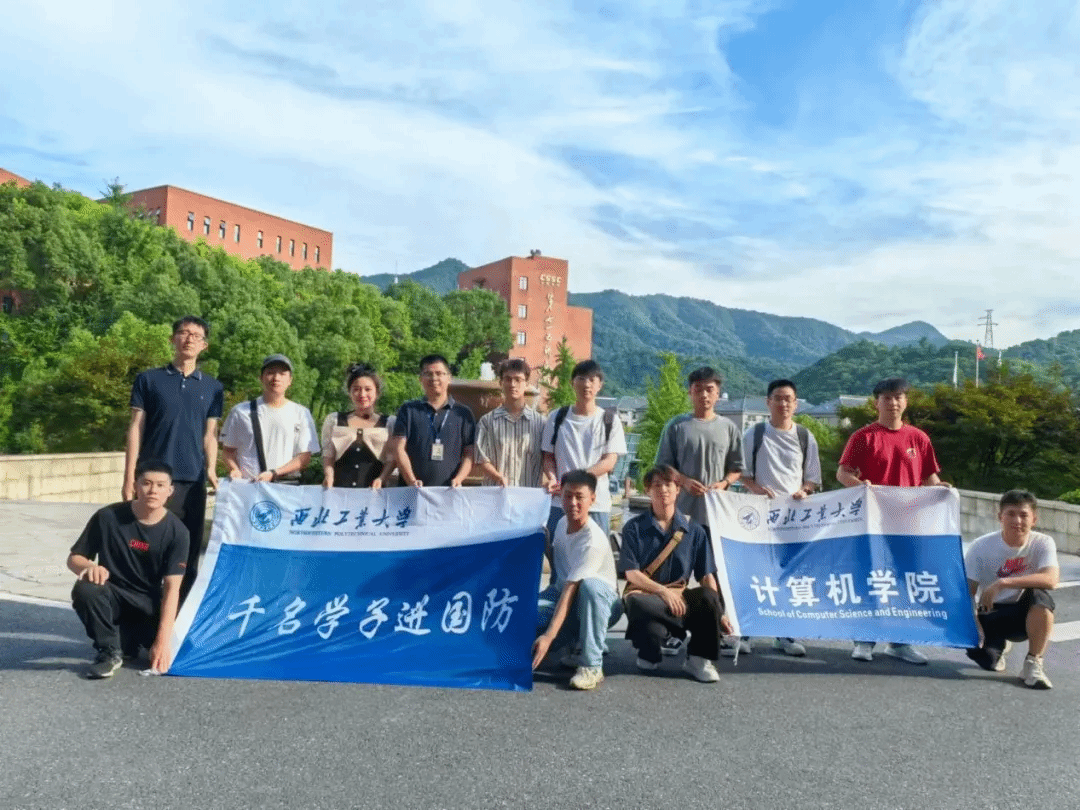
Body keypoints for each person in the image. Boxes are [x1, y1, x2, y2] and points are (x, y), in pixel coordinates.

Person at [837, 377, 946, 664]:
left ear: (906, 402)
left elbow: (929, 478)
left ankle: (900, 643)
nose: (893, 403)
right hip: (872, 522)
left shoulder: (918, 438)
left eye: (898, 397)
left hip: (908, 524)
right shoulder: (863, 437)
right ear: (877, 403)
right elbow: (843, 473)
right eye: (886, 398)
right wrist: (860, 485)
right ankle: (864, 639)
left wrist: (942, 490)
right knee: (871, 578)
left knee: (904, 581)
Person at [123, 316, 222, 600]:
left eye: (196, 335)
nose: (189, 339)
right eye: (183, 333)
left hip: (192, 481)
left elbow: (210, 435)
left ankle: (178, 617)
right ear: (172, 339)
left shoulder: (213, 387)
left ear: (204, 345)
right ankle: (139, 613)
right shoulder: (148, 380)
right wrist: (129, 477)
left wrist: (212, 470)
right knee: (144, 547)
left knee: (186, 553)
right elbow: (135, 427)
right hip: (152, 479)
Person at [68, 460, 189, 679]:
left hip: (148, 604)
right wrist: (89, 567)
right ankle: (109, 652)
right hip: (113, 596)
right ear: (135, 486)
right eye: (146, 483)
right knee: (86, 588)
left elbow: (172, 589)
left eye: (160, 485)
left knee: (179, 651)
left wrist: (163, 643)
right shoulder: (107, 517)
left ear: (170, 491)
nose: (153, 490)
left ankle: (130, 642)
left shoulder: (178, 532)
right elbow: (74, 558)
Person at [654, 366, 744, 654]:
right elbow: (663, 466)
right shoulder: (676, 426)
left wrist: (724, 483)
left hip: (716, 517)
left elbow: (737, 468)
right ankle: (675, 631)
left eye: (710, 390)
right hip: (681, 514)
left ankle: (717, 628)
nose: (704, 395)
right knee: (676, 575)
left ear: (718, 394)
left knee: (716, 575)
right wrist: (682, 480)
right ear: (690, 392)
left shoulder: (729, 428)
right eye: (698, 389)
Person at [621, 465, 733, 682]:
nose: (663, 490)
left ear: (678, 489)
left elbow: (706, 576)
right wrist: (663, 592)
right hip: (647, 596)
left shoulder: (695, 530)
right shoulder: (633, 528)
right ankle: (652, 648)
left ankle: (698, 660)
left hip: (680, 598)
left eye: (668, 484)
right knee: (636, 605)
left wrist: (718, 613)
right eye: (657, 485)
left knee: (708, 597)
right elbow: (632, 574)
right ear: (647, 490)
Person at [740, 379, 822, 657]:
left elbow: (812, 479)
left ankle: (784, 634)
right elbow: (743, 474)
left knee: (788, 577)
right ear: (768, 402)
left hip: (794, 519)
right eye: (778, 398)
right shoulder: (755, 434)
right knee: (755, 575)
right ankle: (745, 632)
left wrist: (804, 491)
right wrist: (757, 490)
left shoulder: (805, 437)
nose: (783, 403)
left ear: (796, 404)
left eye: (788, 399)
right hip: (760, 517)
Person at [531, 470, 622, 691]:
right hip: (563, 595)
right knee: (525, 617)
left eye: (579, 497)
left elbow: (570, 590)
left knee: (590, 586)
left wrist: (548, 637)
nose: (573, 503)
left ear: (593, 499)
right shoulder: (562, 523)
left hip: (601, 605)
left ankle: (591, 665)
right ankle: (575, 641)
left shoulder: (593, 540)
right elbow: (560, 567)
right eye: (568, 495)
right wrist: (543, 542)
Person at [964, 490, 1059, 689]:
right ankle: (998, 647)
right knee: (985, 659)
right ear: (1000, 517)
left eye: (1023, 515)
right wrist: (974, 624)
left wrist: (1003, 583)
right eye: (1011, 514)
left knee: (1040, 596)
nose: (1017, 521)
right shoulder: (980, 546)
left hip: (1024, 611)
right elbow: (967, 592)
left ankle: (1033, 663)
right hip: (991, 611)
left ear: (1034, 519)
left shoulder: (1043, 542)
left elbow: (1051, 580)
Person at [540, 360, 626, 539]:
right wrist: (553, 479)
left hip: (596, 504)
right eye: (581, 378)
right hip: (560, 503)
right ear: (572, 383)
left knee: (595, 552)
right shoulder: (557, 417)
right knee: (557, 552)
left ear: (600, 385)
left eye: (592, 379)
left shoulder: (609, 420)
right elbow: (548, 457)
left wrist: (577, 480)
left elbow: (609, 461)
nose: (587, 384)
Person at [220, 354, 319, 483]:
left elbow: (304, 457)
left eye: (282, 374)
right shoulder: (241, 411)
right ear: (261, 378)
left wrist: (274, 473)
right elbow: (228, 451)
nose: (276, 378)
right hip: (249, 485)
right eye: (270, 373)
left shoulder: (301, 413)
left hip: (285, 486)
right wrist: (234, 469)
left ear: (290, 380)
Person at [389, 354, 476, 487]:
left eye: (439, 373)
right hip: (412, 490)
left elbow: (470, 453)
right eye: (428, 374)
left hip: (449, 491)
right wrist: (411, 480)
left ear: (449, 378)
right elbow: (399, 448)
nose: (434, 378)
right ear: (420, 379)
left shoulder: (463, 413)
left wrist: (459, 478)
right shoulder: (408, 410)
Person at [475, 358, 547, 488]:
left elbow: (547, 458)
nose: (513, 384)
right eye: (508, 379)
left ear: (527, 384)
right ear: (501, 382)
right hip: (496, 493)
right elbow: (481, 459)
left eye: (518, 380)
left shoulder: (540, 423)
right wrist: (498, 477)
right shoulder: (487, 422)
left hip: (528, 494)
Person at [321, 363, 394, 489]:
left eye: (368, 389)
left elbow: (392, 458)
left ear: (377, 393)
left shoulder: (390, 423)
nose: (362, 394)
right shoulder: (334, 420)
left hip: (376, 492)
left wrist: (382, 478)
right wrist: (329, 475)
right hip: (340, 490)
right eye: (356, 389)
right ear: (349, 392)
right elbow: (328, 455)